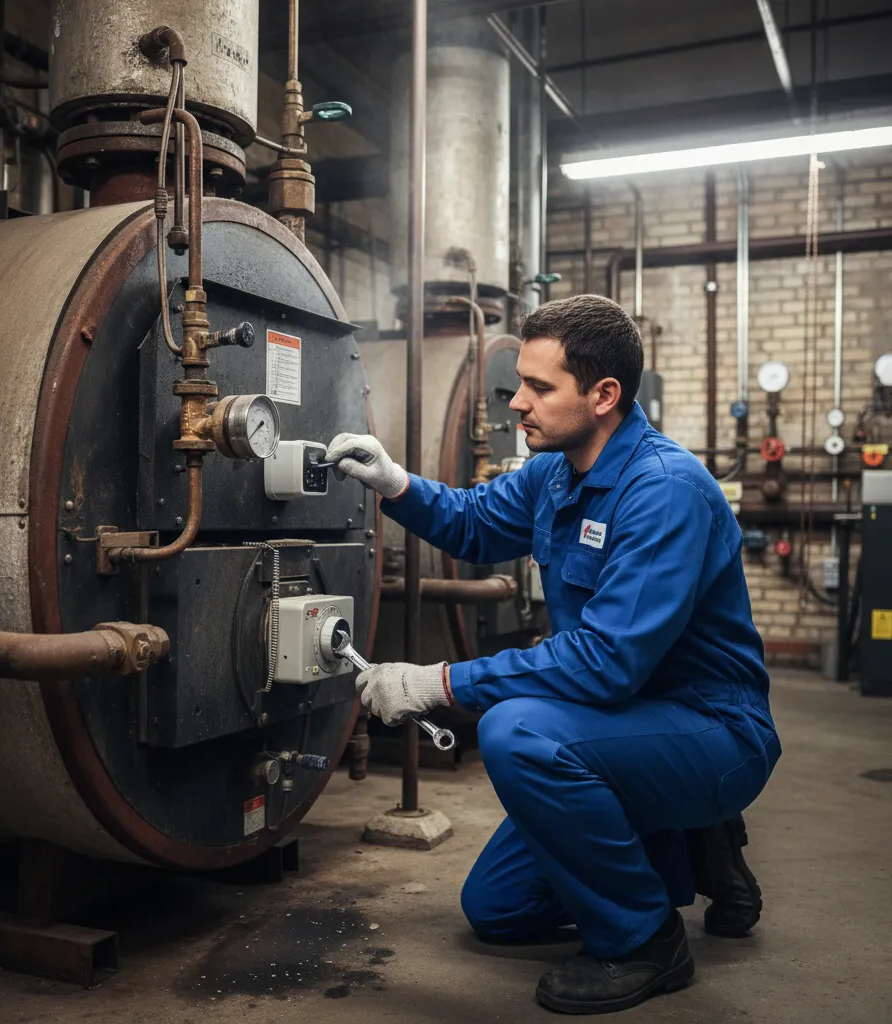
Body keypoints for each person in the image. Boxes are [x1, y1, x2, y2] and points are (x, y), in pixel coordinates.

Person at [326, 294, 780, 1016]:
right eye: (518, 385)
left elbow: (604, 662)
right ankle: (692, 845)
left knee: (518, 731)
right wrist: (395, 483)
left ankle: (645, 941)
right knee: (497, 910)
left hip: (710, 729)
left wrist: (439, 681)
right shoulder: (555, 472)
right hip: (622, 723)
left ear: (603, 396)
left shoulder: (663, 492)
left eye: (539, 387)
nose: (517, 404)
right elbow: (475, 523)